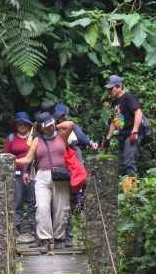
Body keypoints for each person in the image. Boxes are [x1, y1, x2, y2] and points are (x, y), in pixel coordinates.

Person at [16, 111, 72, 253]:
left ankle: (59, 238)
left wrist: (53, 123)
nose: (50, 128)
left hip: (60, 175)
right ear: (40, 128)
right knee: (42, 207)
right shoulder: (36, 140)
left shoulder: (62, 135)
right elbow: (28, 159)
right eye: (46, 126)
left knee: (61, 208)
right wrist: (13, 160)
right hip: (42, 176)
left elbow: (71, 124)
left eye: (51, 124)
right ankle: (46, 239)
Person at [54, 103, 98, 246]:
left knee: (73, 200)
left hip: (73, 166)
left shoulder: (68, 129)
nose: (61, 118)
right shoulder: (53, 132)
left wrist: (90, 142)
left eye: (62, 115)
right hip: (63, 167)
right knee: (62, 203)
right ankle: (64, 236)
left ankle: (71, 237)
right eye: (59, 116)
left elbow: (79, 134)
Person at [3, 112, 36, 243]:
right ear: (16, 125)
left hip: (32, 172)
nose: (21, 125)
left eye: (24, 123)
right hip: (16, 173)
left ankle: (34, 230)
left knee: (33, 201)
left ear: (28, 125)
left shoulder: (34, 138)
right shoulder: (11, 138)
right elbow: (6, 156)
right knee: (17, 201)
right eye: (19, 123)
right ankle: (16, 231)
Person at [102, 75, 143, 177]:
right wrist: (108, 139)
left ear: (119, 87)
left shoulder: (128, 97)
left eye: (111, 89)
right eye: (108, 89)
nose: (109, 91)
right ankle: (125, 191)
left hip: (131, 136)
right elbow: (115, 122)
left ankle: (131, 192)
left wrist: (135, 131)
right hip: (123, 136)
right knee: (121, 166)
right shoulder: (115, 102)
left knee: (129, 164)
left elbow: (138, 112)